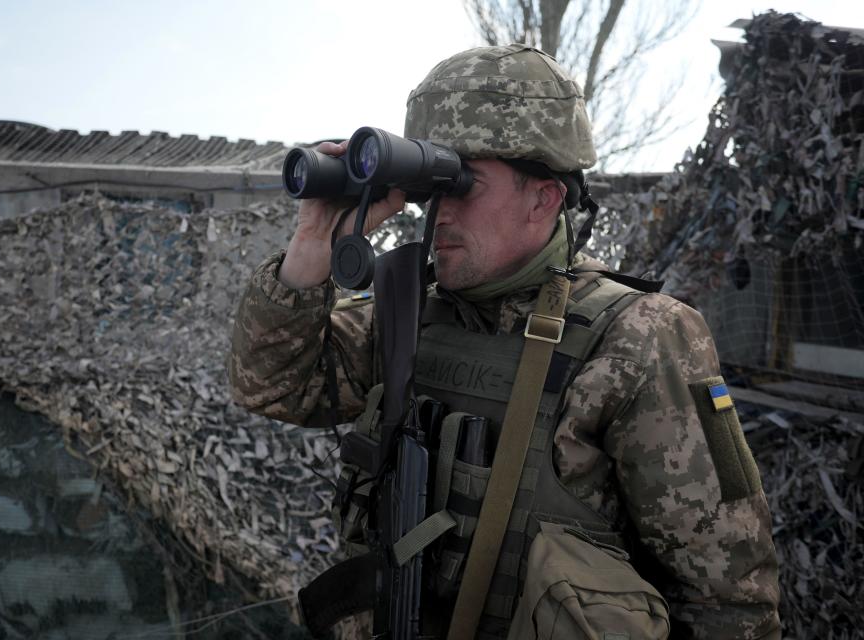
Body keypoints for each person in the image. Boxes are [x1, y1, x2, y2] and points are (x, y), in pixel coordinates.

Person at [230, 44, 781, 639]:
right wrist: (312, 244)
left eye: (462, 183)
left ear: (544, 198)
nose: (437, 213)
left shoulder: (640, 337)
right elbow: (274, 388)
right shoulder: (407, 313)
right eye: (429, 187)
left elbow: (730, 599)